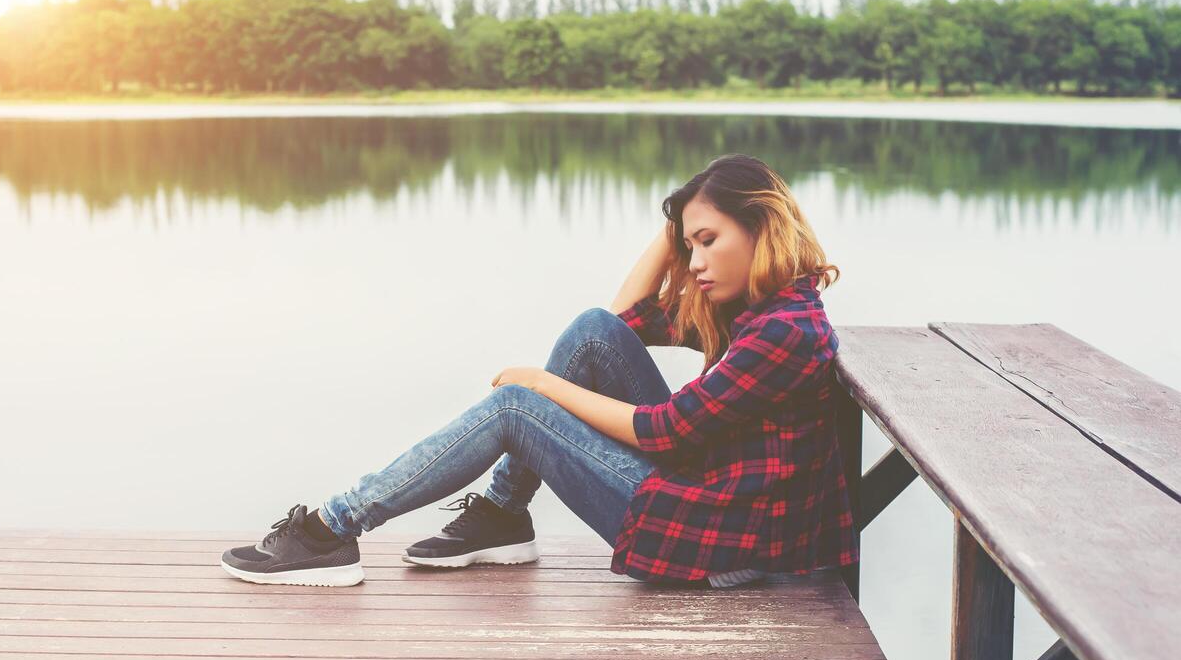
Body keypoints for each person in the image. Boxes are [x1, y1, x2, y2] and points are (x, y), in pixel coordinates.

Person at [219, 153, 859, 589]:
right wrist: (674, 227)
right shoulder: (764, 306)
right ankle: (502, 511)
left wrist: (541, 386)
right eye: (689, 244)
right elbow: (622, 322)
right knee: (591, 332)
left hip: (718, 542)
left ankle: (335, 527)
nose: (693, 261)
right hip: (716, 504)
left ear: (760, 227)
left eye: (708, 240)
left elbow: (665, 432)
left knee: (515, 407)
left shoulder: (781, 332)